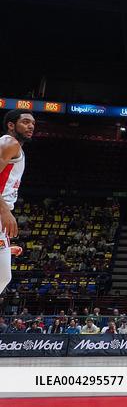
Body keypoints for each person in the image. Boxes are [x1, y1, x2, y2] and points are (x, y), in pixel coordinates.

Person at [0, 110, 33, 296]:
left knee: (3, 276)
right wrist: (4, 210)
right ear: (11, 125)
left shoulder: (15, 148)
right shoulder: (9, 142)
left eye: (33, 124)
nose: (30, 126)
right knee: (2, 276)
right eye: (26, 122)